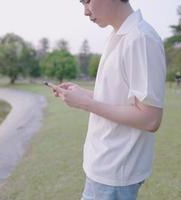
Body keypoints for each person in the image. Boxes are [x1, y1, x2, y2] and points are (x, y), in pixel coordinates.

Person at [50, 0, 166, 199]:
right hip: (104, 166)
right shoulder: (118, 36)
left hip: (115, 170)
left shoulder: (140, 38)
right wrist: (82, 94)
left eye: (87, 1)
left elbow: (149, 118)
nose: (86, 12)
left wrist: (85, 103)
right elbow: (119, 100)